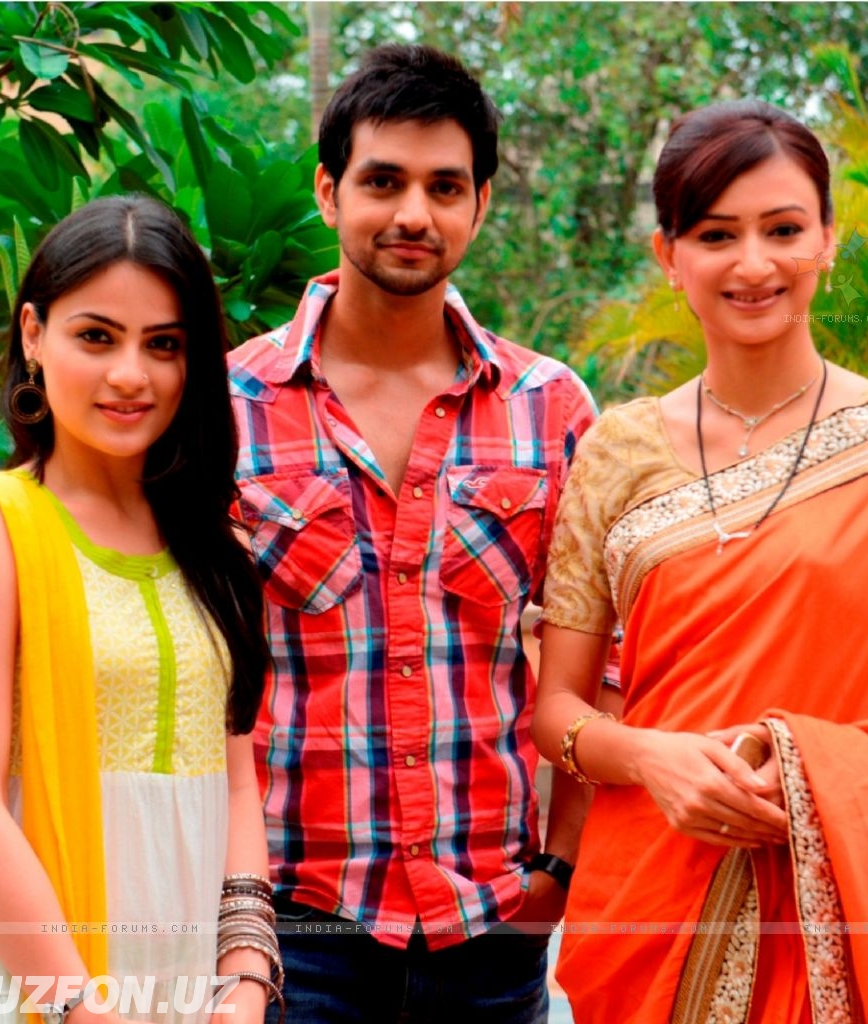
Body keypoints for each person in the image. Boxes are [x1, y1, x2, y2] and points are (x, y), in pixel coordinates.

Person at [532, 100, 868, 1023]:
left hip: (866, 910)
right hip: (656, 905)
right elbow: (557, 711)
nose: (753, 265)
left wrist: (813, 770)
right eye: (716, 235)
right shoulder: (617, 452)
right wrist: (653, 758)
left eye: (782, 230)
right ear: (669, 255)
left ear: (827, 241)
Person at [228, 44, 598, 1023]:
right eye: (382, 181)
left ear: (480, 203)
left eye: (444, 187)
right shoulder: (230, 405)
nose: (413, 214)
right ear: (328, 190)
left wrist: (558, 870)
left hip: (491, 928)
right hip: (293, 927)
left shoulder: (549, 407)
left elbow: (603, 656)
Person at [0, 196, 281, 1024]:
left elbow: (238, 783)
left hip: (184, 978)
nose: (131, 374)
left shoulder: (218, 550)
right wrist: (81, 1009)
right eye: (97, 336)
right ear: (33, 334)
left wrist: (245, 976)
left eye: (163, 344)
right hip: (26, 980)